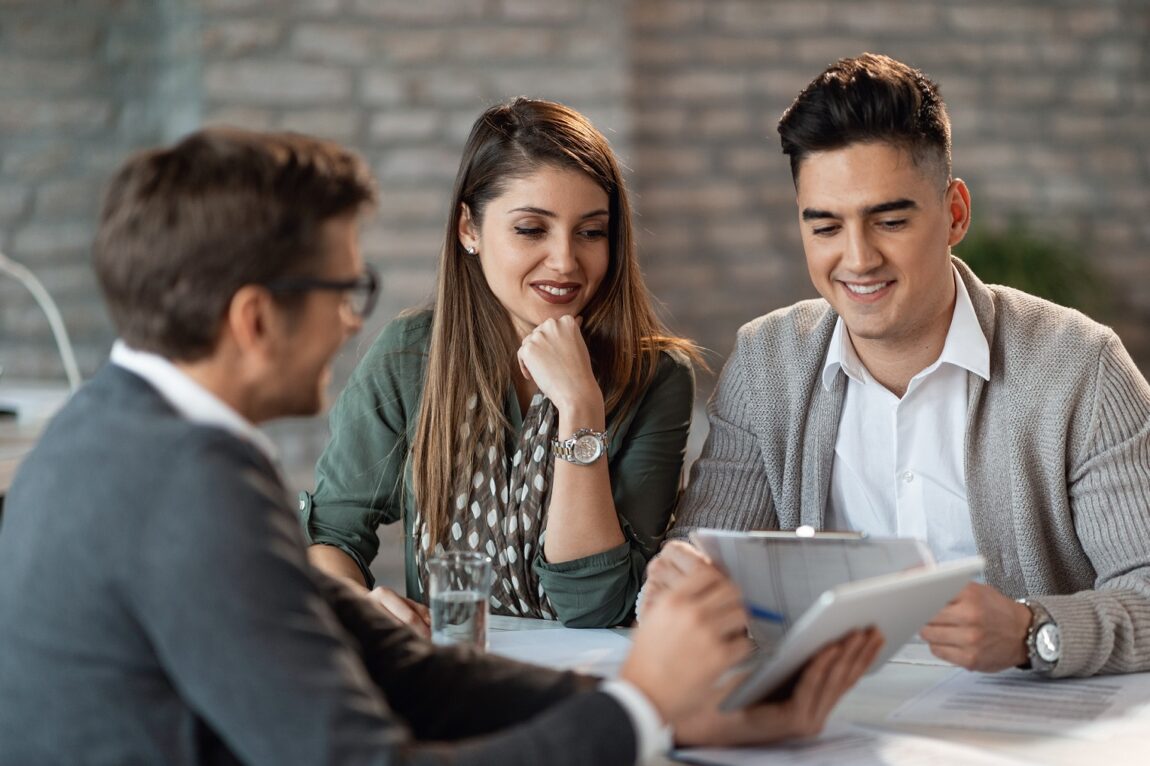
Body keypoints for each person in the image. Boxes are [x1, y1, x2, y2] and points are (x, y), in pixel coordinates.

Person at [0, 127, 882, 765]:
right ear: (256, 318)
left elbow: (392, 663)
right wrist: (642, 709)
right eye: (348, 286)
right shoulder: (187, 482)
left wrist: (669, 712)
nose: (354, 317)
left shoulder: (118, 433)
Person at [648, 52, 1150, 679]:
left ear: (955, 214)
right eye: (826, 226)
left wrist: (1033, 633)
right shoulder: (766, 363)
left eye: (888, 220)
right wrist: (675, 585)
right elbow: (702, 557)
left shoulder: (1081, 369)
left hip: (1020, 731)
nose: (857, 259)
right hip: (822, 724)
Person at [302, 97, 699, 630]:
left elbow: (596, 603)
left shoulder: (656, 376)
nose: (565, 260)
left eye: (591, 231)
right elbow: (333, 535)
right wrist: (357, 606)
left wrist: (581, 407)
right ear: (469, 228)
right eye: (531, 229)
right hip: (458, 672)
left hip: (594, 675)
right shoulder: (411, 355)